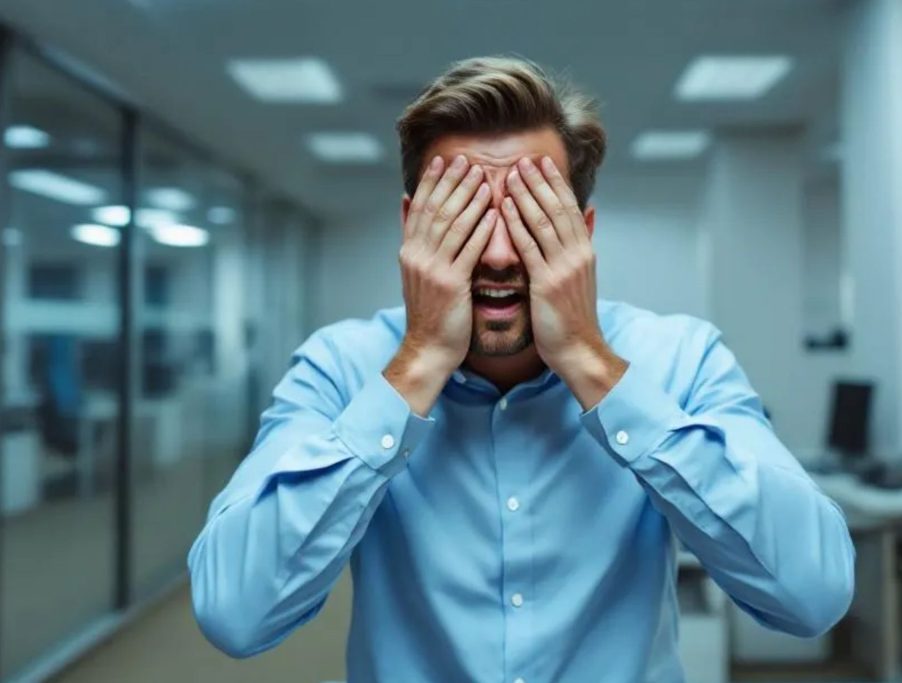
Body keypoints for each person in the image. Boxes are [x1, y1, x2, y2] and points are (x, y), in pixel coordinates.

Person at [188, 55, 855, 683]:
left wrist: (593, 363)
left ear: (583, 232)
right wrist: (418, 362)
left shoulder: (680, 359)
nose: (501, 254)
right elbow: (237, 613)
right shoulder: (342, 366)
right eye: (468, 218)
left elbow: (812, 594)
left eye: (531, 218)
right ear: (413, 228)